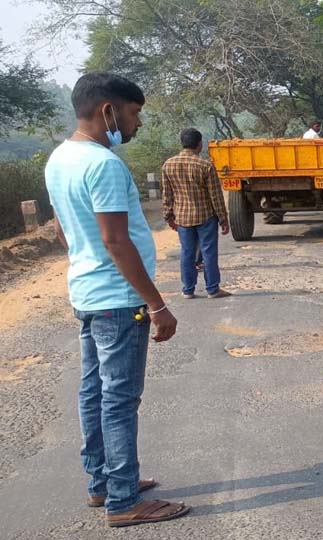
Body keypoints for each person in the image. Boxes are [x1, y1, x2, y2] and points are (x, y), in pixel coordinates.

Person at [45, 72, 190, 527]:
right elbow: (116, 241)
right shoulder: (103, 164)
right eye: (134, 113)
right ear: (108, 110)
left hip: (87, 293)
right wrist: (157, 304)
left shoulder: (59, 158)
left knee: (94, 393)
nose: (137, 124)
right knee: (120, 399)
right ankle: (124, 501)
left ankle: (103, 483)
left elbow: (63, 231)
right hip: (118, 299)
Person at [162, 128, 232, 300]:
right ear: (199, 144)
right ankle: (213, 289)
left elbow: (167, 195)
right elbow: (215, 196)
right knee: (208, 253)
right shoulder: (205, 165)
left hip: (183, 218)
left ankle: (188, 290)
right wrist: (223, 218)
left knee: (187, 253)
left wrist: (169, 217)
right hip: (205, 216)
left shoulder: (168, 165)